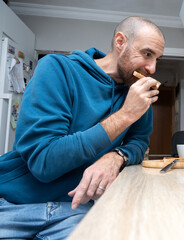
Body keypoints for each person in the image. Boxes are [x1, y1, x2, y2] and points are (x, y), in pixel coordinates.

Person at [0, 16, 165, 239]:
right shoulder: (56, 69)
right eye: (147, 54)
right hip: (13, 202)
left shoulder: (137, 94)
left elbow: (139, 142)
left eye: (157, 59)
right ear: (120, 42)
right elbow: (44, 162)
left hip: (75, 209)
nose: (152, 68)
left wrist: (116, 156)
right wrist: (125, 115)